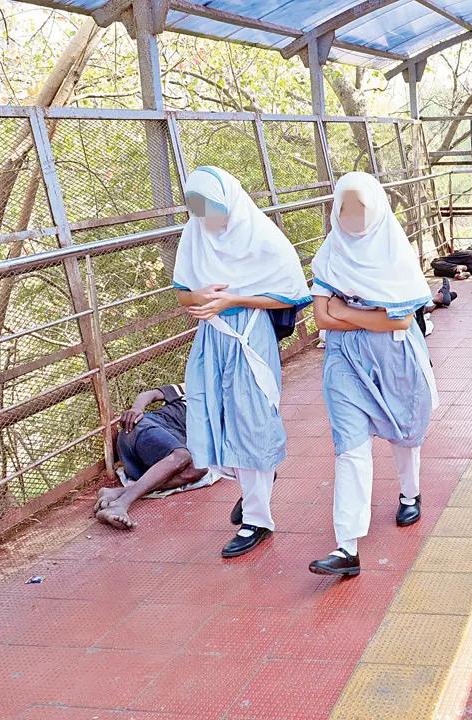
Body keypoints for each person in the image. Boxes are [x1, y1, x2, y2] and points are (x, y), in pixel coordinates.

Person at [173, 166, 311, 559]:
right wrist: (197, 294)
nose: (204, 217)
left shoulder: (262, 236)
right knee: (213, 416)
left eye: (210, 207)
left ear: (229, 200)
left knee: (252, 419)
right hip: (211, 339)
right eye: (196, 208)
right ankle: (256, 481)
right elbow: (184, 293)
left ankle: (258, 518)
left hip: (250, 336)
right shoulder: (194, 234)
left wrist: (236, 299)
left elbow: (290, 296)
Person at [307, 172, 438, 577]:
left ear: (378, 208)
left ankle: (410, 493)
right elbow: (319, 319)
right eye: (345, 208)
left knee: (404, 431)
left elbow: (398, 324)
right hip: (344, 360)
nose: (353, 217)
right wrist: (367, 316)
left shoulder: (394, 252)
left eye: (361, 208)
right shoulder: (330, 253)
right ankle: (346, 547)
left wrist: (343, 311)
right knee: (349, 446)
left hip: (394, 356)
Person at [94, 384, 209, 530]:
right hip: (143, 429)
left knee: (199, 468)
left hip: (154, 463)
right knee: (182, 455)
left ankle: (116, 493)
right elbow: (151, 394)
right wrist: (136, 408)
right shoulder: (197, 385)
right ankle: (120, 504)